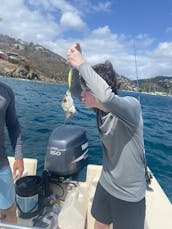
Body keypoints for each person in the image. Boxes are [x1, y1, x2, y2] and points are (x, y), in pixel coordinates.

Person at [66, 43, 147, 229]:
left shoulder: (131, 107)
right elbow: (73, 88)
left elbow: (107, 98)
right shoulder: (99, 110)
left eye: (87, 90)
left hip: (129, 195)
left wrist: (82, 63)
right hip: (106, 183)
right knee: (98, 225)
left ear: (101, 88)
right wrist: (75, 67)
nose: (82, 95)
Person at [0, 81, 24, 224]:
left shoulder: (6, 92)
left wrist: (19, 156)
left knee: (9, 208)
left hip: (1, 163)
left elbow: (13, 126)